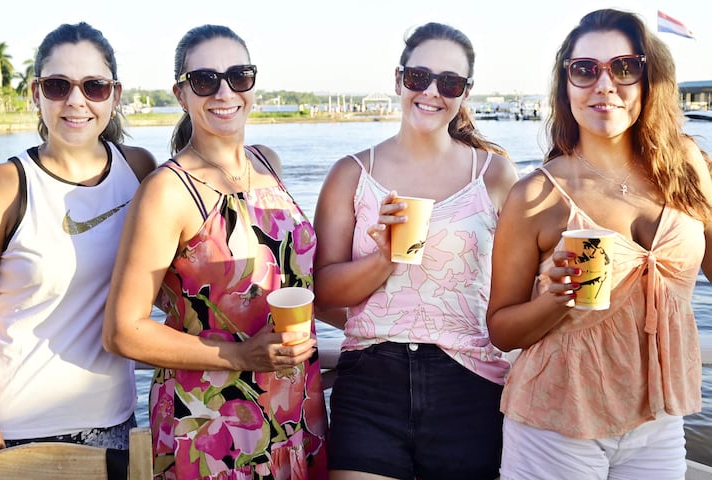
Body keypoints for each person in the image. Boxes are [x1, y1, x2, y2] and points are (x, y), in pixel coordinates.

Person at [486, 9, 712, 480]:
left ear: (651, 79)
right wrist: (556, 299)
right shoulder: (535, 194)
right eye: (585, 69)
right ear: (566, 84)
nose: (604, 85)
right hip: (558, 420)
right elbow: (502, 330)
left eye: (624, 68)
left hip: (659, 415)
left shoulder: (688, 166)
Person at [102, 24, 328, 479]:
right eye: (205, 80)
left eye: (238, 76)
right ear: (181, 94)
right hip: (210, 420)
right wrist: (243, 356)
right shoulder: (167, 192)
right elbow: (123, 331)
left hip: (293, 404)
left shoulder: (267, 162)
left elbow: (296, 279)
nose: (224, 91)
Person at [0, 22, 157, 474]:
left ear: (114, 95)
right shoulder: (0, 186)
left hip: (113, 425)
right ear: (36, 92)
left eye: (94, 86)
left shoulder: (138, 171)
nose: (76, 101)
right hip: (10, 431)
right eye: (59, 86)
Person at [313, 22, 518, 480]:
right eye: (417, 77)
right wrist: (383, 258)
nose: (431, 91)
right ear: (398, 79)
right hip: (370, 382)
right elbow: (323, 291)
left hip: (471, 382)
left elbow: (514, 292)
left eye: (449, 82)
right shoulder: (350, 173)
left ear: (465, 92)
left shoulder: (496, 174)